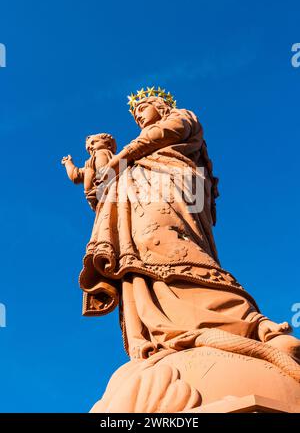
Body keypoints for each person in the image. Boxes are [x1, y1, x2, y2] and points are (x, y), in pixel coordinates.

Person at [78, 87, 300, 363]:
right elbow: (99, 189)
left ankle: (250, 324)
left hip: (168, 193)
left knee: (167, 248)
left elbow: (162, 134)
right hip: (142, 198)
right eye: (135, 117)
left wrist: (118, 160)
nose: (139, 119)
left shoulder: (182, 117)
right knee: (137, 259)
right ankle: (166, 333)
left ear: (159, 105)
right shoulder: (134, 161)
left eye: (141, 110)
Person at [61, 133, 116, 210]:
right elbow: (75, 176)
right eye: (88, 148)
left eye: (93, 143)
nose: (90, 147)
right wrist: (68, 163)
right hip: (95, 198)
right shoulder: (89, 163)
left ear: (108, 144)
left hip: (109, 190)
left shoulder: (106, 154)